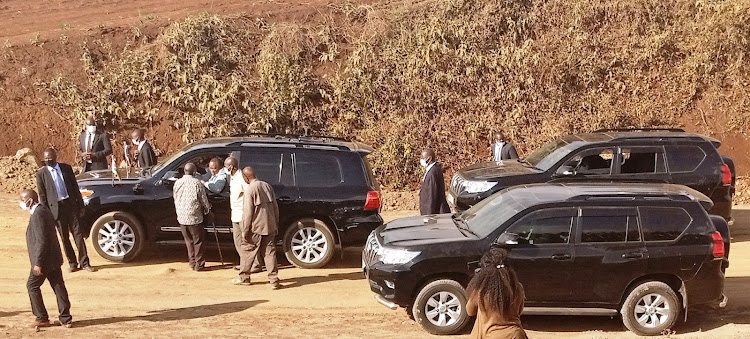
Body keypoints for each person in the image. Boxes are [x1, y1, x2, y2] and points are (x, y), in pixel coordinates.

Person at [36, 148, 95, 273]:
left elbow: (75, 187)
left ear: (56, 157)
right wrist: (46, 214)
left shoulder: (66, 168)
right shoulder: (41, 174)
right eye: (46, 159)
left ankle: (85, 262)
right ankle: (72, 263)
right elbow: (42, 196)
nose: (48, 161)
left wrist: (81, 206)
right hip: (56, 209)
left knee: (78, 235)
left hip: (70, 205)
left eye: (50, 159)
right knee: (64, 237)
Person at [21, 189, 73, 329]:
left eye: (23, 200)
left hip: (45, 260)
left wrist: (38, 263)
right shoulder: (43, 210)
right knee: (58, 286)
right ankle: (65, 318)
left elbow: (42, 241)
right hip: (53, 258)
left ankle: (41, 317)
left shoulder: (38, 214)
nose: (21, 203)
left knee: (32, 286)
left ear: (30, 201)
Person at [232, 167, 281, 289]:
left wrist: (244, 230)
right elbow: (275, 207)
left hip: (255, 227)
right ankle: (274, 280)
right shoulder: (267, 186)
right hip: (269, 225)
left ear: (245, 177)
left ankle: (244, 278)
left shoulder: (250, 190)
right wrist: (275, 223)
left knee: (247, 251)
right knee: (269, 252)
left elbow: (248, 213)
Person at [466, 247, 527, 339]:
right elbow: (519, 312)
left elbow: (470, 311)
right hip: (515, 335)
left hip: (488, 335)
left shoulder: (481, 290)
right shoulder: (517, 288)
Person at [173, 162, 212, 271]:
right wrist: (208, 210)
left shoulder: (177, 183)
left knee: (188, 241)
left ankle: (192, 262)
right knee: (198, 241)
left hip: (181, 216)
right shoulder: (197, 183)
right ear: (194, 172)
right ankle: (199, 264)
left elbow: (175, 198)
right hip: (194, 217)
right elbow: (203, 200)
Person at [419, 148, 450, 216]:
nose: (421, 160)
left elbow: (431, 195)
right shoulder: (435, 169)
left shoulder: (432, 173)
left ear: (429, 159)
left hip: (435, 213)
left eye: (423, 158)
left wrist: (429, 215)